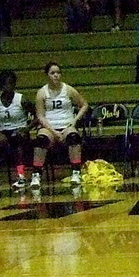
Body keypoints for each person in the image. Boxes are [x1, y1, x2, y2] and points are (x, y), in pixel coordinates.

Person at [32, 61, 89, 189]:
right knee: (41, 140)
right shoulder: (42, 92)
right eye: (52, 73)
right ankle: (36, 175)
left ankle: (76, 172)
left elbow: (84, 105)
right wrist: (53, 131)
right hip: (49, 127)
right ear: (47, 75)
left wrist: (74, 121)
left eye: (58, 72)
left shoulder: (68, 89)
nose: (56, 75)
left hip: (66, 125)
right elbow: (40, 116)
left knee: (73, 137)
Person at [0, 70, 35, 190]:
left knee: (16, 140)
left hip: (19, 131)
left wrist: (26, 129)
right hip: (3, 132)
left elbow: (38, 117)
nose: (8, 87)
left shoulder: (22, 99)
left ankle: (21, 176)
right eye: (5, 84)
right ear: (0, 86)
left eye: (11, 83)